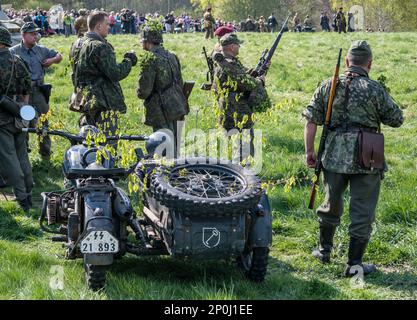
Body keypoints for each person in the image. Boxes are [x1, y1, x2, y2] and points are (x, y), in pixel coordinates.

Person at [302, 41, 404, 277]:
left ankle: (323, 251)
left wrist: (310, 152)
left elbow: (310, 121)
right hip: (367, 154)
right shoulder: (375, 89)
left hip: (334, 153)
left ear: (347, 62)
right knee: (362, 210)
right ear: (369, 64)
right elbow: (396, 119)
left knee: (331, 202)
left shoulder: (328, 85)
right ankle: (354, 264)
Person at [69, 11, 137, 139]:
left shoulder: (76, 44)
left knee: (88, 140)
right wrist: (129, 61)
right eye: (107, 24)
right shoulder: (99, 46)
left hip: (84, 99)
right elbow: (115, 73)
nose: (109, 27)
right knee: (107, 143)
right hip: (102, 103)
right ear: (98, 26)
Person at [212, 33, 270, 161]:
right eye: (238, 45)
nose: (239, 47)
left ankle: (238, 172)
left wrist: (260, 70)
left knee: (240, 144)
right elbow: (246, 83)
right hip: (236, 110)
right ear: (232, 47)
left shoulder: (229, 62)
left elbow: (243, 74)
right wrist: (260, 81)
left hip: (232, 108)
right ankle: (244, 175)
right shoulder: (228, 64)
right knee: (244, 147)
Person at [10, 22, 63, 160]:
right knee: (22, 124)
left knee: (43, 123)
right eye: (32, 34)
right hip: (21, 94)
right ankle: (23, 155)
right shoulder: (13, 52)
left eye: (36, 34)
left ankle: (45, 154)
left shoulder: (41, 50)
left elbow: (59, 55)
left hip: (39, 92)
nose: (36, 36)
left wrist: (52, 60)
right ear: (23, 35)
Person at [136, 26, 188, 157]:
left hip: (160, 109)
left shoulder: (150, 59)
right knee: (175, 143)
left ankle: (165, 175)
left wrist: (139, 91)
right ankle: (178, 171)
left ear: (148, 42)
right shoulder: (172, 56)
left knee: (163, 145)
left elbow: (144, 91)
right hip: (177, 104)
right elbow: (180, 82)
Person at [0, 27, 33, 212]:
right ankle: (28, 191)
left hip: (2, 119)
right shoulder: (17, 60)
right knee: (22, 156)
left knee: (9, 159)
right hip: (20, 114)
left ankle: (22, 198)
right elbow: (28, 88)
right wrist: (21, 110)